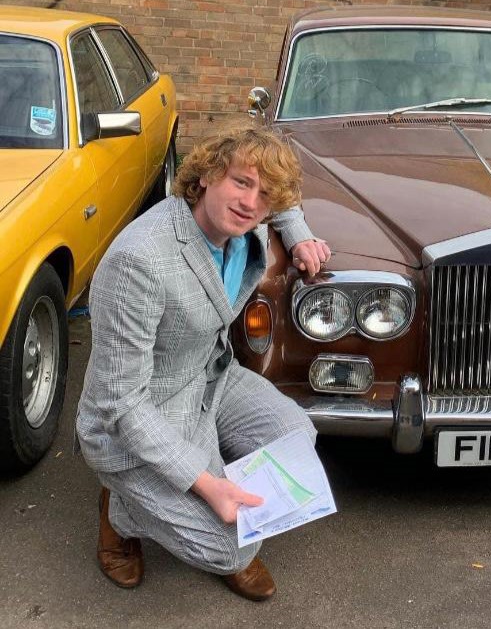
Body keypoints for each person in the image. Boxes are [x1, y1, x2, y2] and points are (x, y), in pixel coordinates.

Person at [75, 125, 331, 601]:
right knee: (230, 551)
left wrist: (299, 236)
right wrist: (206, 483)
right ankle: (120, 511)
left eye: (264, 195)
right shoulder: (140, 260)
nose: (251, 203)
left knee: (298, 439)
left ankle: (210, 503)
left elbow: (280, 196)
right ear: (206, 177)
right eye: (241, 183)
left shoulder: (247, 217)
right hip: (144, 404)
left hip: (210, 375)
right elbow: (120, 401)